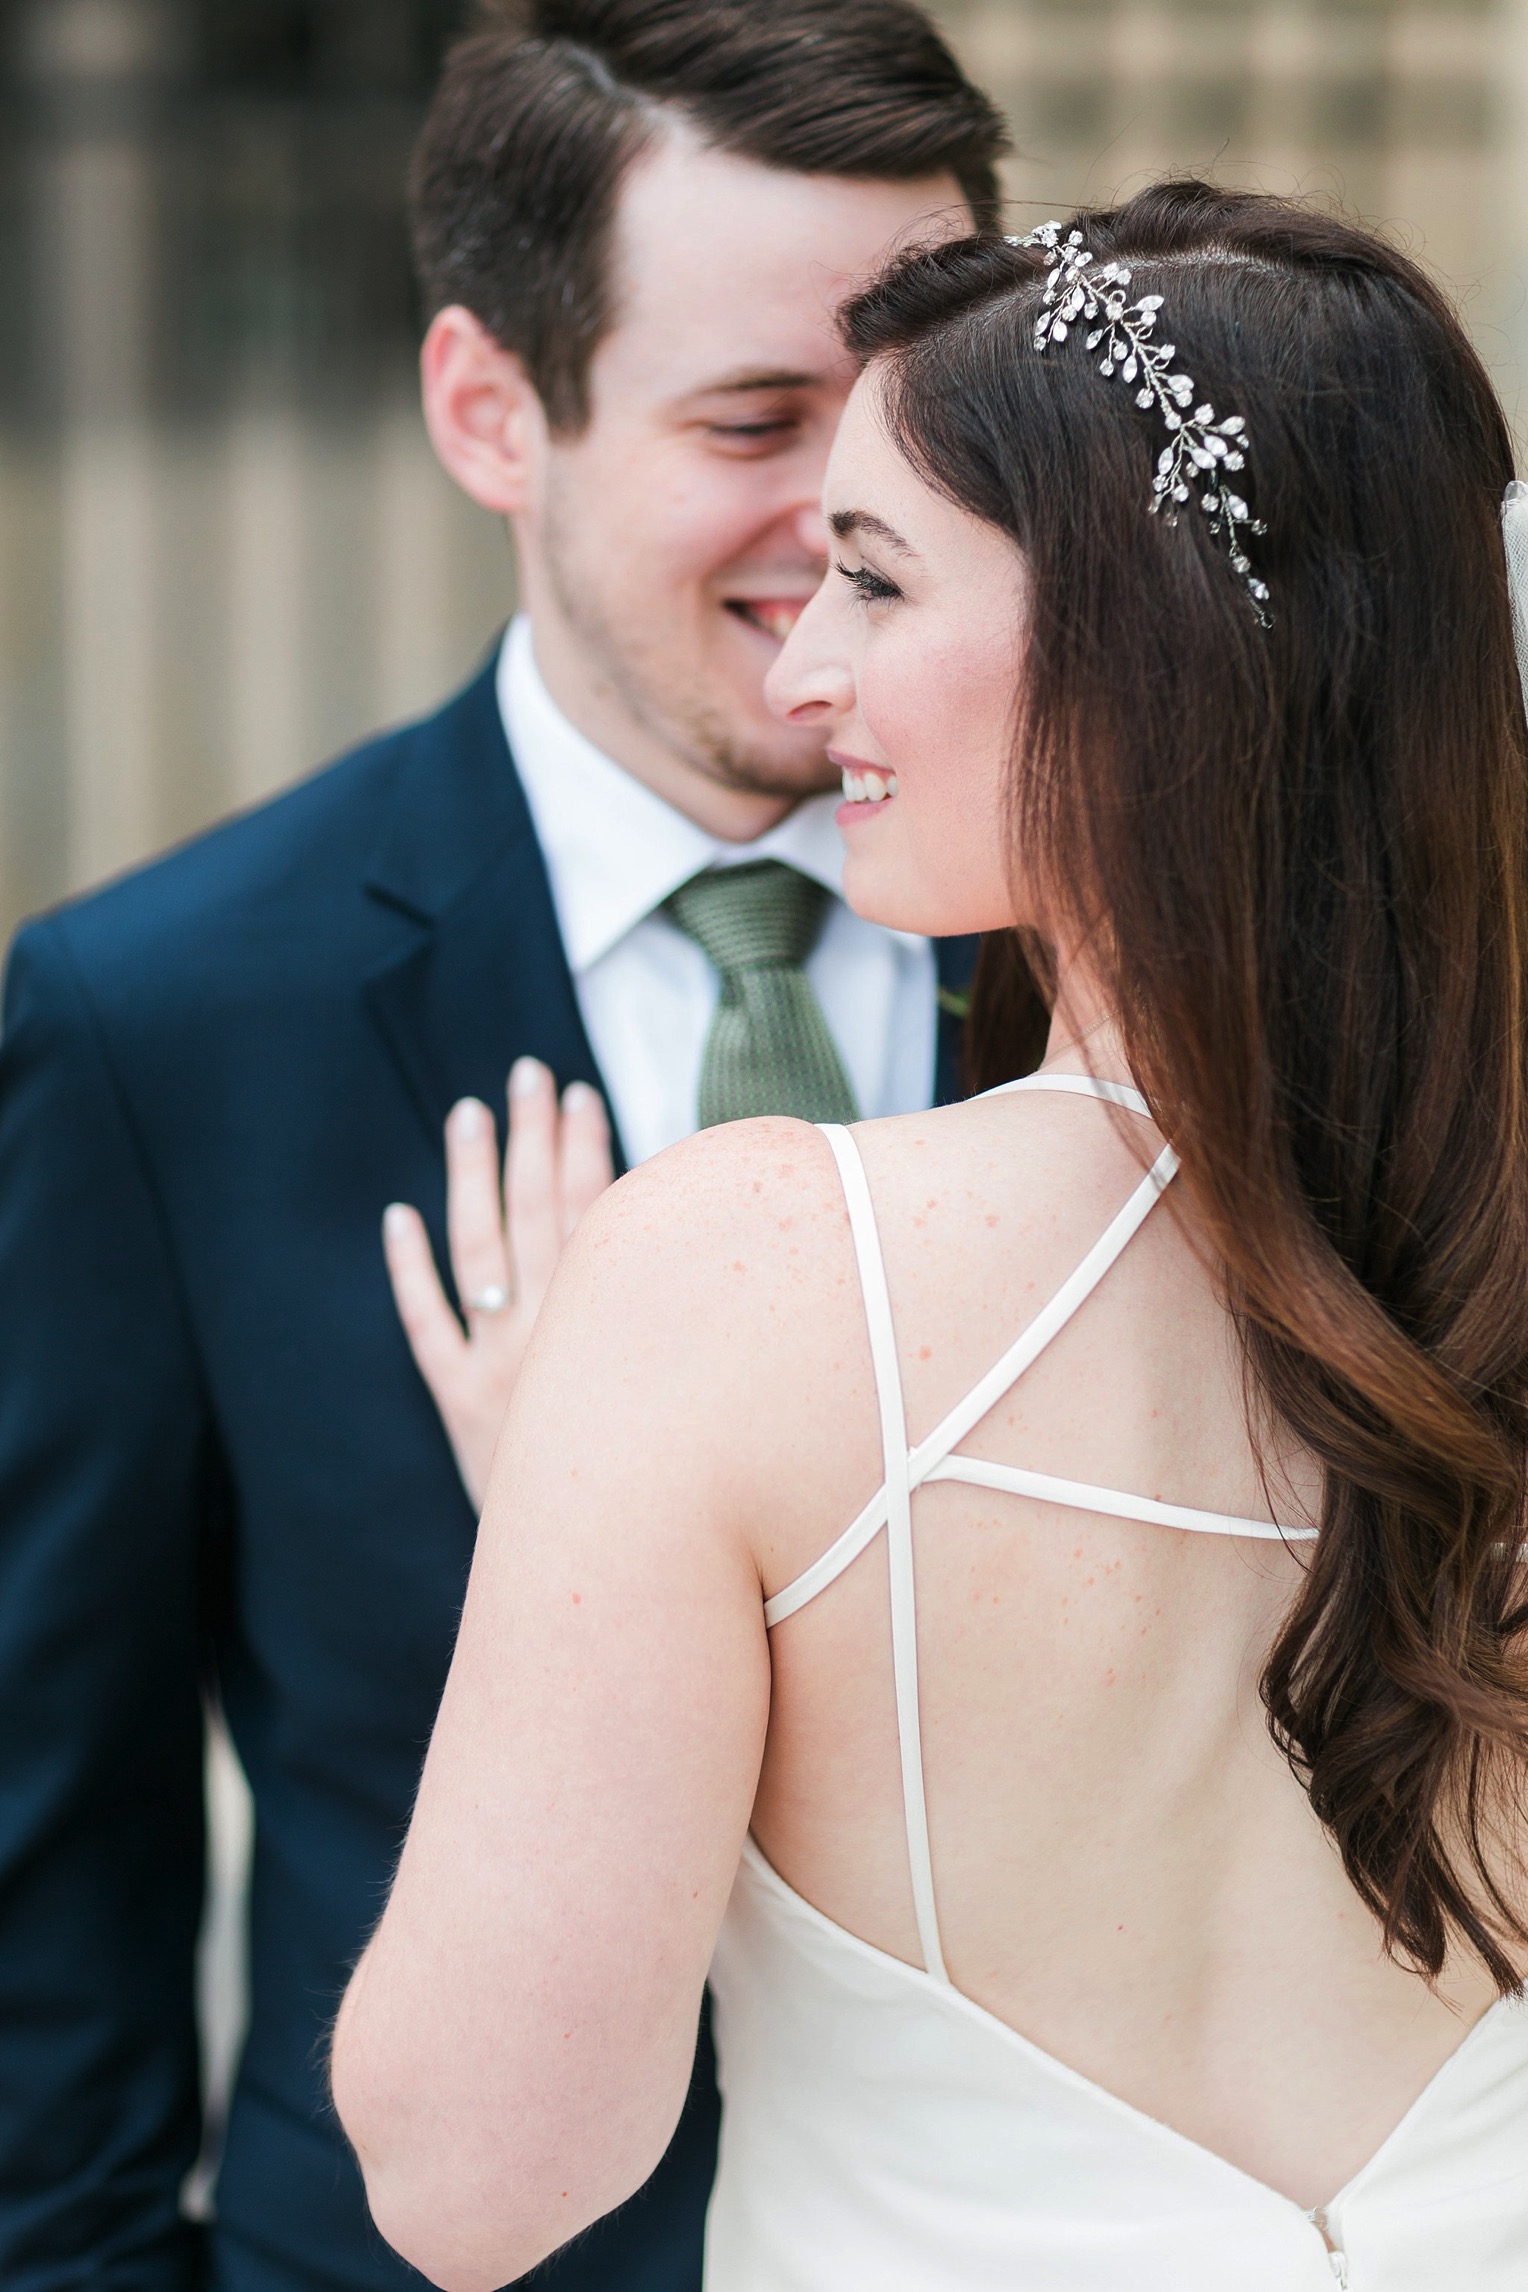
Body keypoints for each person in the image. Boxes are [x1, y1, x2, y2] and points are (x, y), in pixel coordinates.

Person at [332, 182, 1528, 2291]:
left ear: (1139, 636)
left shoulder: (740, 1291)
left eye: (872, 579)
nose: (805, 675)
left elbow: (473, 2176)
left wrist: (580, 1538)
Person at [0, 5, 1008, 2285]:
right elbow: (51, 1872)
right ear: (488, 410)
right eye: (752, 422)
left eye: (915, 428)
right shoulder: (164, 1024)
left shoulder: (1142, 965)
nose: (845, 524)